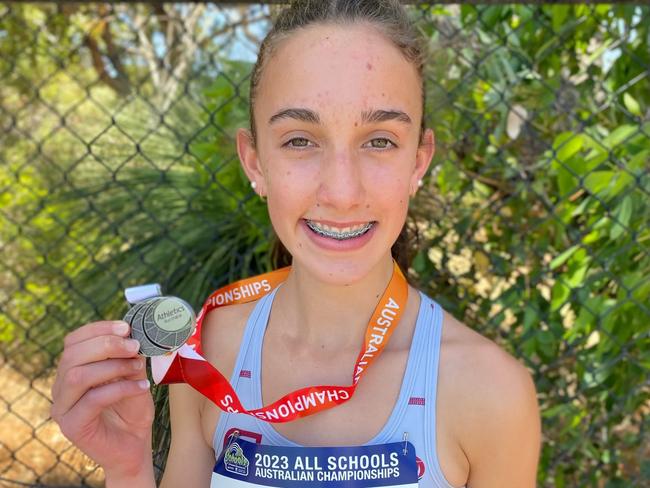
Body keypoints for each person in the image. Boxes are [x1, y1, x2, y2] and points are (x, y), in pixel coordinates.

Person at [50, 1, 541, 486]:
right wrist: (127, 467)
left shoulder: (491, 392)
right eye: (300, 140)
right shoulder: (209, 348)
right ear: (255, 162)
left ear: (418, 162)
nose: (343, 194)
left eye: (380, 140)